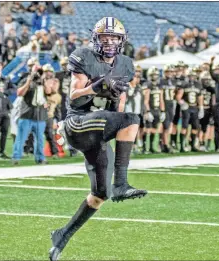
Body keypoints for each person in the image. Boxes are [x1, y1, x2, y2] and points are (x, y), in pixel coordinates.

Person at [49, 17, 147, 261]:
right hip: (78, 123)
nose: (110, 41)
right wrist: (98, 86)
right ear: (96, 38)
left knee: (100, 194)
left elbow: (119, 106)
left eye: (115, 37)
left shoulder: (125, 64)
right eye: (105, 37)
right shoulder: (83, 56)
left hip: (99, 131)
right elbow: (74, 97)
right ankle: (122, 183)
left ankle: (62, 235)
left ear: (122, 41)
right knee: (132, 118)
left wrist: (116, 127)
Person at [12, 59, 48, 165]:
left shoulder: (42, 81)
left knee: (40, 140)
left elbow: (49, 91)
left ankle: (40, 158)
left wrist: (43, 78)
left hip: (40, 115)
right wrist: (29, 80)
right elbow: (19, 93)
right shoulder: (25, 79)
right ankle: (16, 157)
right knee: (21, 138)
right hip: (26, 114)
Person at [176, 68, 204, 152]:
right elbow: (178, 96)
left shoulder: (198, 84)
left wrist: (201, 107)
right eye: (190, 75)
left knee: (195, 127)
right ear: (188, 76)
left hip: (195, 108)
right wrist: (182, 103)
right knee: (184, 126)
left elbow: (200, 97)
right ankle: (182, 146)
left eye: (193, 75)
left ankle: (193, 146)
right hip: (187, 108)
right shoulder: (184, 84)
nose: (192, 77)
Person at [143, 67, 166, 153]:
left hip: (157, 110)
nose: (155, 77)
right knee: (148, 129)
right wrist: (148, 111)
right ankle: (145, 148)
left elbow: (161, 99)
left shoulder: (159, 86)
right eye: (153, 75)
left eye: (156, 75)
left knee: (154, 129)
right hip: (151, 109)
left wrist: (163, 111)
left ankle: (152, 147)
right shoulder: (148, 85)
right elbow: (146, 100)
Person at [160, 65, 176, 153]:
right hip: (165, 105)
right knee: (165, 126)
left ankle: (164, 143)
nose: (169, 73)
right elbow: (161, 96)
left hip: (171, 105)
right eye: (168, 72)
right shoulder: (161, 81)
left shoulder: (173, 81)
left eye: (171, 71)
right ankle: (165, 144)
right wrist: (162, 109)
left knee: (168, 126)